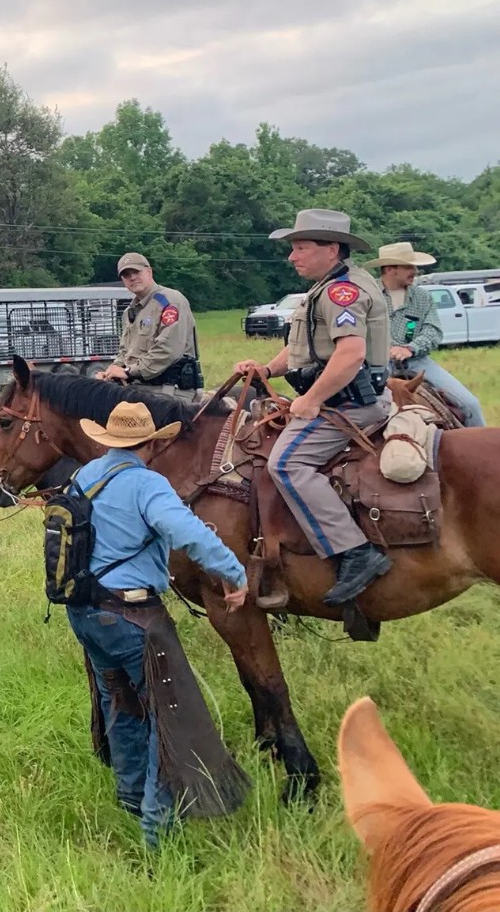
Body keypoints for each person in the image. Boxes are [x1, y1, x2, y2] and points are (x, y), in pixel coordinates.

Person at [64, 401, 249, 847]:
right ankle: (155, 832)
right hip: (134, 618)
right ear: (152, 442)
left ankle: (130, 798)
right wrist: (235, 573)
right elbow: (189, 534)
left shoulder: (84, 476)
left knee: (120, 705)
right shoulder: (148, 484)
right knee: (168, 719)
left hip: (84, 612)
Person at [234, 208, 392, 605]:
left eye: (301, 247)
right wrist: (266, 368)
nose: (293, 256)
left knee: (286, 463)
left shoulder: (344, 291)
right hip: (338, 398)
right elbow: (303, 348)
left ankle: (356, 552)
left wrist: (312, 400)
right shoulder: (326, 286)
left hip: (348, 405)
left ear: (331, 248)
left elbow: (350, 354)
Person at [366, 241, 485, 427]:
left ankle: (481, 451)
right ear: (390, 269)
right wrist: (385, 349)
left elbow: (433, 330)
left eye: (414, 266)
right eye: (408, 267)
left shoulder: (422, 297)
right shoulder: (366, 295)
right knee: (350, 409)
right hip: (373, 365)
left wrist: (410, 348)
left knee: (470, 405)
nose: (414, 271)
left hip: (417, 362)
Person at [96, 252, 200, 395]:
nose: (132, 277)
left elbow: (167, 350)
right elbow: (125, 351)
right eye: (126, 275)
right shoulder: (130, 312)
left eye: (136, 272)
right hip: (140, 389)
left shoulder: (170, 301)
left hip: (169, 391)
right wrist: (111, 371)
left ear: (149, 272)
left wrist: (128, 372)